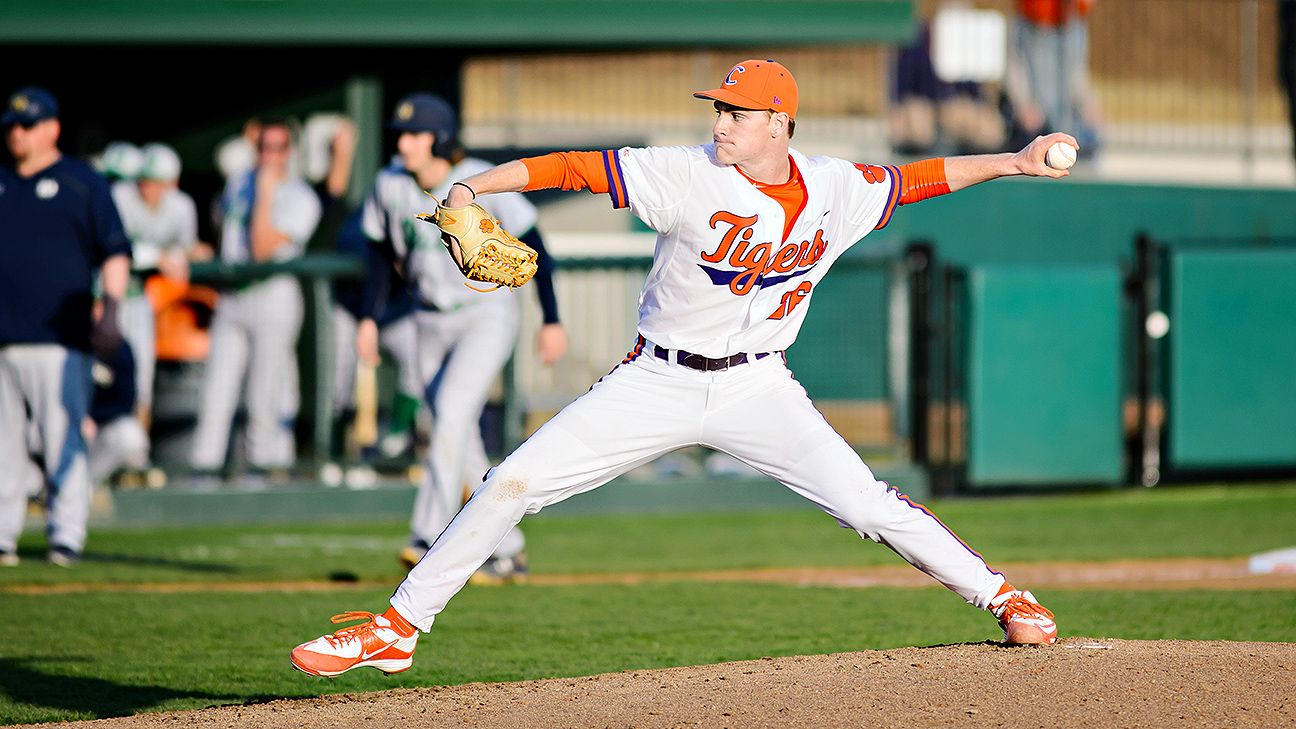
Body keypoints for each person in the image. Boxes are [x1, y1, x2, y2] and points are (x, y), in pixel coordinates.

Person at [290, 59, 1073, 678]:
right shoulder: (685, 172)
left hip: (759, 384)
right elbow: (570, 167)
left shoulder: (835, 186)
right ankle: (397, 628)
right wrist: (469, 185)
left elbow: (917, 179)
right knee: (508, 483)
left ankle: (1004, 596)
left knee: (867, 504)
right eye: (718, 108)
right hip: (655, 380)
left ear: (779, 123)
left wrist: (1014, 159)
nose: (721, 121)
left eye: (736, 111)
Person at [355, 93, 567, 582]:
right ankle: (508, 550)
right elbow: (375, 255)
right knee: (460, 434)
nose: (403, 141)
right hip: (426, 318)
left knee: (450, 414)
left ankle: (426, 535)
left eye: (415, 133)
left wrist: (550, 319)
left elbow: (540, 250)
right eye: (401, 133)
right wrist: (369, 317)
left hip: (485, 314)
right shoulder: (389, 184)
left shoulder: (477, 179)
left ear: (440, 138)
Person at [0, 86, 131, 567]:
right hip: (3, 336)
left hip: (61, 338)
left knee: (63, 438)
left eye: (28, 125)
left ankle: (66, 535)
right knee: (3, 445)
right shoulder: (2, 180)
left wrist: (112, 310)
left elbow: (115, 250)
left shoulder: (82, 182)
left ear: (52, 127)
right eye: (12, 126)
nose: (18, 133)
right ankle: (3, 535)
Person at [188, 117, 322, 483]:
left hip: (273, 297)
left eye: (277, 148)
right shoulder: (237, 182)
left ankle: (256, 479)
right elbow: (224, 234)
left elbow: (262, 249)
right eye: (263, 146)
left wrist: (264, 192)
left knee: (264, 397)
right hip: (233, 299)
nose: (268, 155)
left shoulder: (301, 197)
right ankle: (202, 476)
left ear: (289, 152)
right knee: (215, 391)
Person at [324, 205, 424, 482]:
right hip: (352, 308)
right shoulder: (359, 220)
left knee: (420, 361)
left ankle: (397, 434)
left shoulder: (417, 211)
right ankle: (333, 452)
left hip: (393, 310)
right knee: (337, 380)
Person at [110, 142, 201, 439]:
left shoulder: (181, 206)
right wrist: (159, 257)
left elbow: (185, 250)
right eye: (144, 180)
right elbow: (113, 247)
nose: (147, 187)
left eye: (155, 181)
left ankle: (136, 454)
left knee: (141, 378)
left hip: (138, 299)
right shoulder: (120, 196)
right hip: (103, 298)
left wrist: (186, 255)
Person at [1003, 0, 1101, 154]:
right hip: (1033, 116)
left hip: (1065, 113)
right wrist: (1023, 104)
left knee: (1088, 139)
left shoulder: (1075, 24)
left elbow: (1076, 73)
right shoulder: (1023, 24)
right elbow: (1014, 67)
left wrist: (1088, 103)